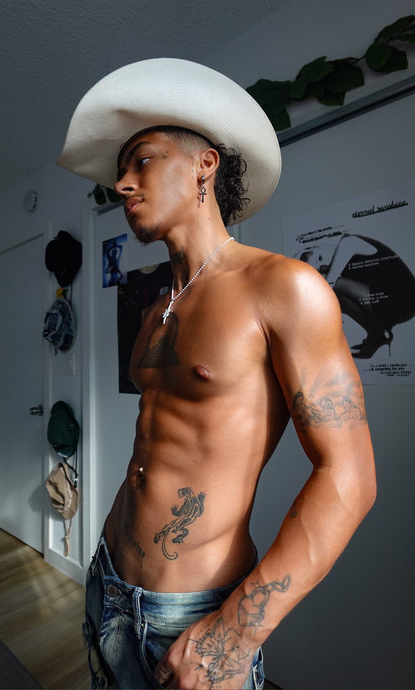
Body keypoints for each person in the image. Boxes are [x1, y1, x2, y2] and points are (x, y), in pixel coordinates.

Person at [57, 58, 376, 689]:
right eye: (120, 170)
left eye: (141, 161)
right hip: (108, 582)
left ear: (204, 164)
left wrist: (237, 631)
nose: (122, 184)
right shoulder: (154, 311)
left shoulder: (283, 288)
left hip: (193, 616)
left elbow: (350, 478)